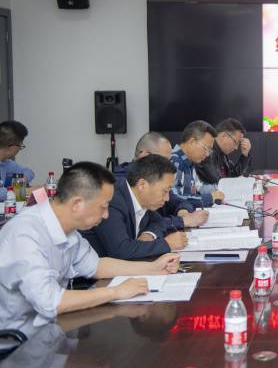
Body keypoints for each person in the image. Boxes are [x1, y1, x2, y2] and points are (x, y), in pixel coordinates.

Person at [0, 161, 180, 336]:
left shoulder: (69, 232)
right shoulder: (26, 233)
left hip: (51, 330)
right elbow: (51, 301)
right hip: (19, 341)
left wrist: (153, 267)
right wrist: (115, 292)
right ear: (77, 204)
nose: (106, 215)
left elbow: (98, 266)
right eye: (103, 207)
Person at [83, 155, 188, 259]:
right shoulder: (111, 200)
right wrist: (166, 244)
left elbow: (159, 222)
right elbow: (121, 250)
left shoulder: (142, 199)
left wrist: (149, 234)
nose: (167, 198)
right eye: (165, 191)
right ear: (142, 185)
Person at [115, 131, 208, 229]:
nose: (167, 165)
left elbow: (177, 201)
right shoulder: (122, 185)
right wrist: (182, 221)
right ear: (145, 155)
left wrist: (183, 211)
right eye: (163, 160)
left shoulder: (158, 179)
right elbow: (146, 224)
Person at [170, 120, 224, 207]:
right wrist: (210, 198)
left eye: (209, 151)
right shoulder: (175, 162)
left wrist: (217, 191)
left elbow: (197, 189)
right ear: (192, 142)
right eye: (206, 148)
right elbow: (174, 199)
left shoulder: (189, 162)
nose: (207, 154)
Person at [195, 118, 252, 186]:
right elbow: (219, 182)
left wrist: (245, 155)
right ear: (224, 136)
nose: (236, 148)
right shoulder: (207, 151)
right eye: (236, 142)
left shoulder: (222, 153)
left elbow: (232, 176)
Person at [0, 120, 35, 200]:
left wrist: (23, 179)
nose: (20, 149)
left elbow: (29, 172)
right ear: (12, 148)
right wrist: (25, 191)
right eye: (20, 146)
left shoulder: (5, 162)